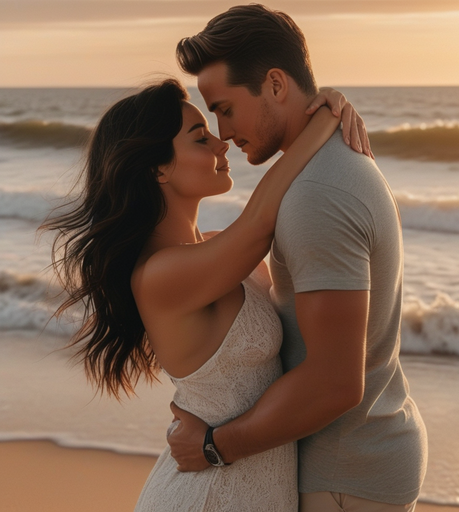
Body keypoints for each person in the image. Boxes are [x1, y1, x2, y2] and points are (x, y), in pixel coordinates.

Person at [41, 77, 367, 511]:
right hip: (207, 495)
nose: (221, 143)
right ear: (157, 168)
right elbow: (259, 221)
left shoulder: (218, 254)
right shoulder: (160, 275)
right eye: (200, 138)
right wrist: (322, 120)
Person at [167, 4, 428, 512]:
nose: (221, 132)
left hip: (345, 475)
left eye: (224, 108)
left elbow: (333, 382)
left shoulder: (318, 194)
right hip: (360, 459)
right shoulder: (328, 165)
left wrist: (215, 447)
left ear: (276, 85)